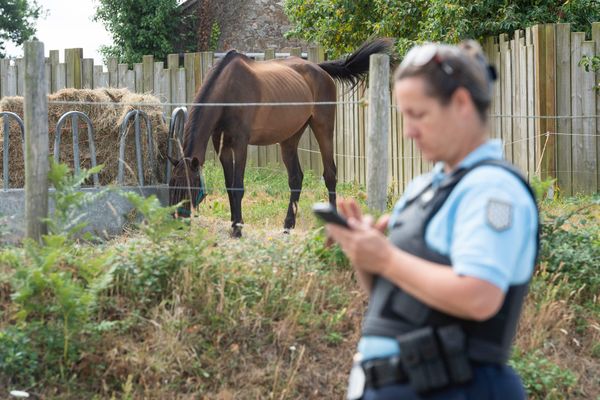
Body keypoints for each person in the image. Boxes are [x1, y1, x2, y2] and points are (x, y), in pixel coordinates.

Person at [325, 40, 539, 400]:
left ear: (460, 104)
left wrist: (387, 258)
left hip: (455, 386)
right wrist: (367, 257)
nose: (408, 131)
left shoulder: (493, 190)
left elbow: (479, 297)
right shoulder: (422, 189)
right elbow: (398, 297)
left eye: (418, 115)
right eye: (403, 115)